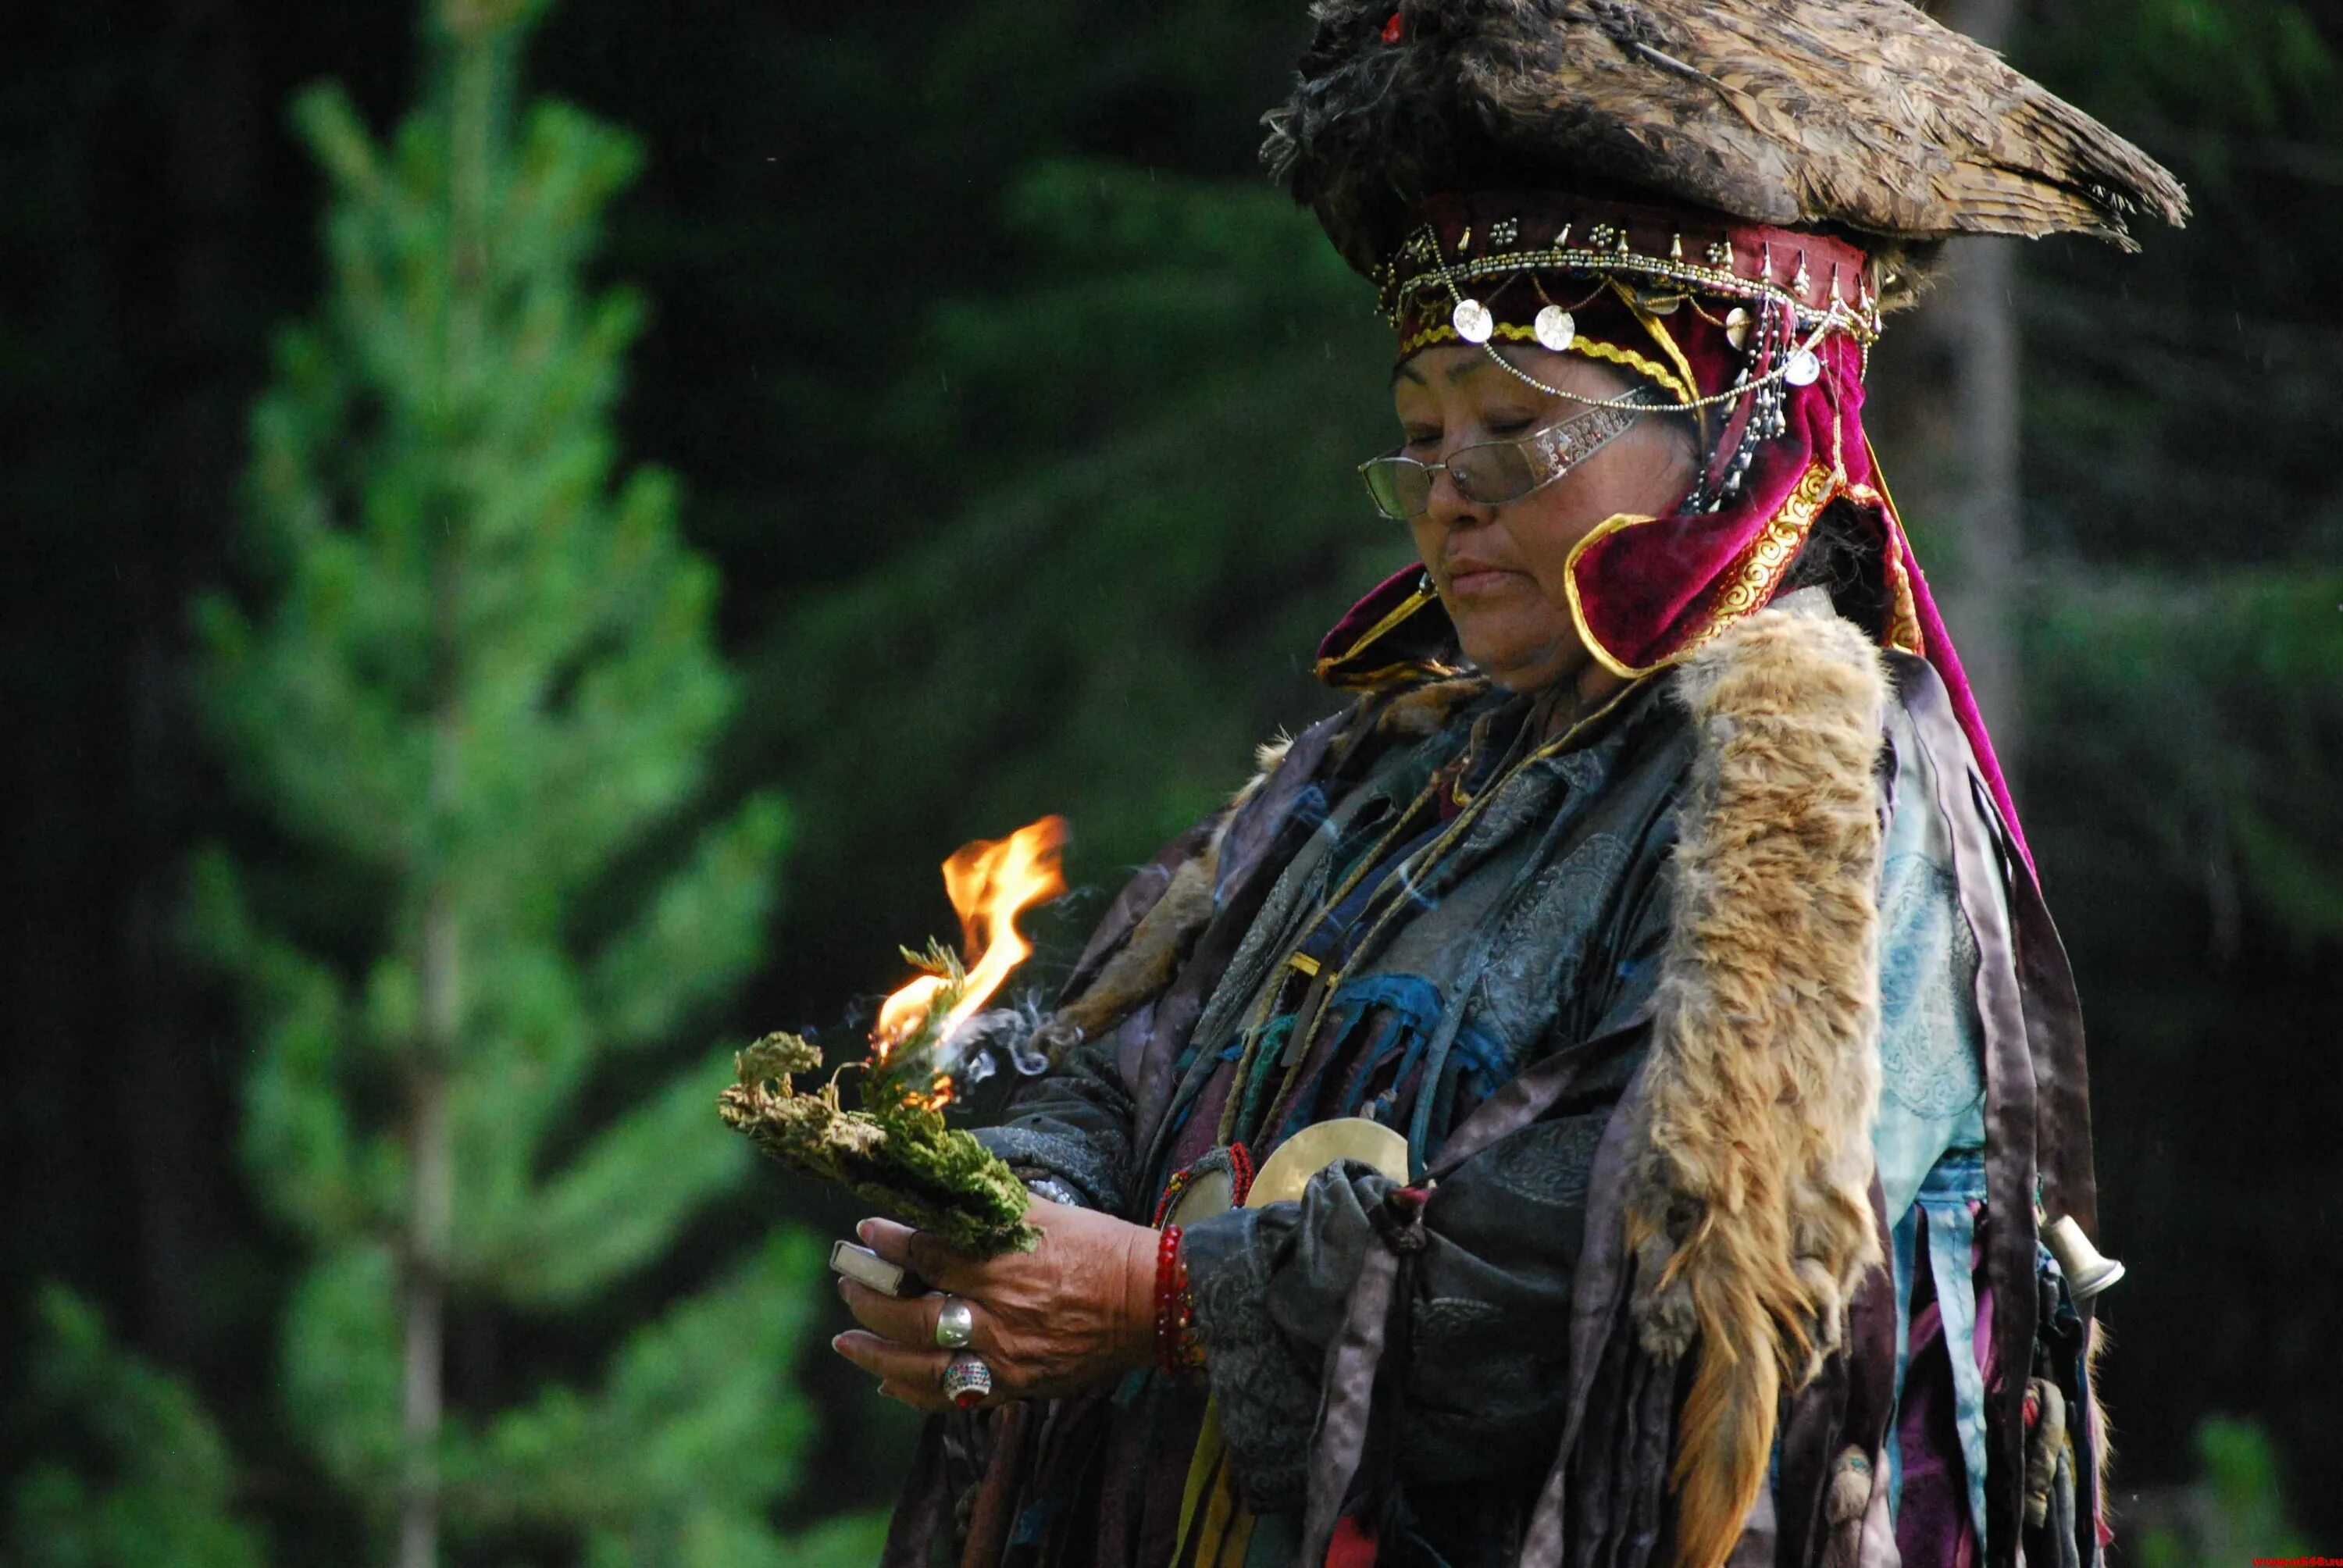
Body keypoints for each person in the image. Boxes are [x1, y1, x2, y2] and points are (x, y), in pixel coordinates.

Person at [829, 4, 2184, 1565]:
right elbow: (1123, 1048)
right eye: (1420, 438)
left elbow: (1635, 1267)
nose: (1448, 497)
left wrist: (1161, 1298)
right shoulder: (1384, 764)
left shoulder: (1815, 797)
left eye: (1520, 432)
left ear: (1740, 426)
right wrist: (1000, 1232)